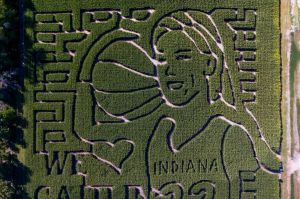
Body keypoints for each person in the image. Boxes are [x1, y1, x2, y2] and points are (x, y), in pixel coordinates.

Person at [75, 10, 280, 198]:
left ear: (209, 64)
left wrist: (251, 129)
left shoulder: (229, 134)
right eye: (161, 60)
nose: (169, 70)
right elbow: (87, 130)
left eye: (182, 57)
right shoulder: (161, 129)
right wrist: (88, 63)